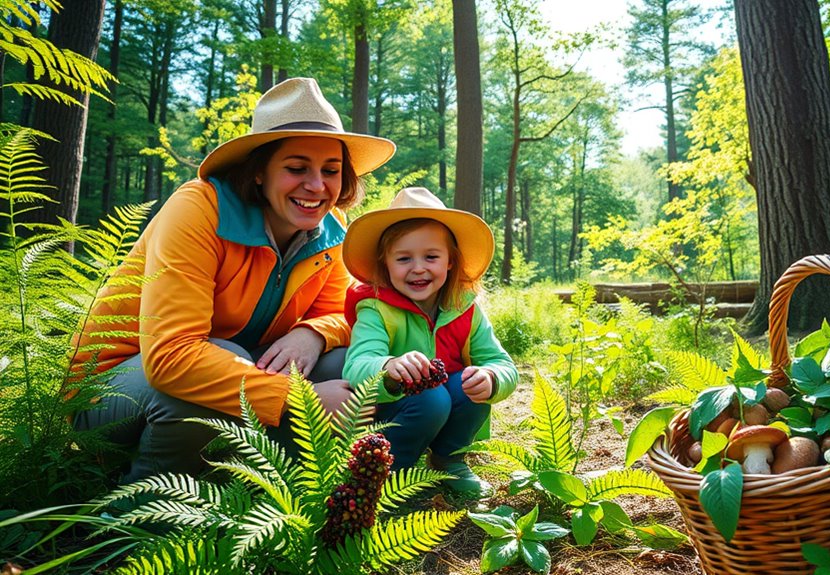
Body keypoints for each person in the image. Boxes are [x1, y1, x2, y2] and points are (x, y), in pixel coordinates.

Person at [70, 77, 396, 482]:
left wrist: (312, 333)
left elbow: (344, 313)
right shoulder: (199, 209)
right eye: (297, 168)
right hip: (108, 390)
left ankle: (274, 490)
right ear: (259, 172)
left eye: (331, 170)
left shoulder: (331, 229)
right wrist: (304, 399)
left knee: (346, 363)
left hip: (235, 360)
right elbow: (171, 358)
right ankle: (144, 507)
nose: (317, 186)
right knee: (218, 357)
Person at [341, 187, 518, 497]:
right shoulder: (376, 308)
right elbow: (356, 366)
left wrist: (491, 377)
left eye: (431, 256)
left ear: (450, 261)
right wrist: (388, 366)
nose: (418, 267)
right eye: (404, 258)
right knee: (431, 398)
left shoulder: (465, 310)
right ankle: (396, 472)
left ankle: (448, 461)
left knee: (467, 384)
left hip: (445, 406)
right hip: (395, 412)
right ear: (386, 264)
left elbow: (503, 364)